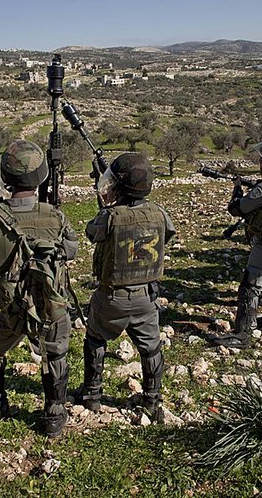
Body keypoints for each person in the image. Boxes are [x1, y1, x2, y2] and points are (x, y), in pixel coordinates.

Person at [0, 140, 78, 438]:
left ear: (5, 177)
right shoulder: (56, 216)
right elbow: (71, 250)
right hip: (50, 305)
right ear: (41, 176)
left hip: (12, 307)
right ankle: (54, 414)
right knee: (56, 356)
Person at [78, 153, 175, 423]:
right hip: (146, 296)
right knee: (151, 349)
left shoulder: (109, 216)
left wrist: (106, 205)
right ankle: (152, 400)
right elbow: (167, 233)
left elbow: (91, 232)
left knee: (95, 340)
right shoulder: (159, 212)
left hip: (112, 297)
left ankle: (92, 394)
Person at [214, 140, 262, 349]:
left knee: (252, 279)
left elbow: (237, 209)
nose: (260, 160)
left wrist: (237, 189)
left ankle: (242, 334)